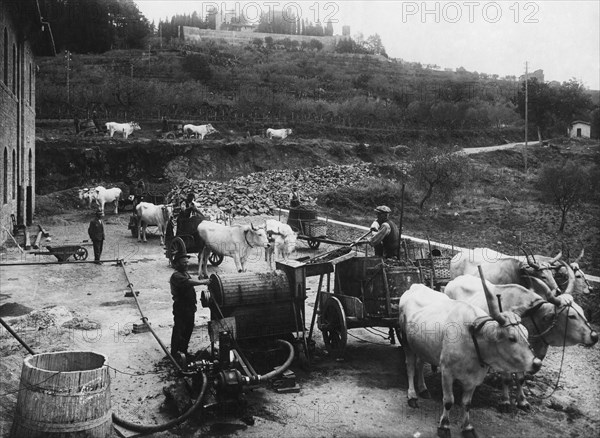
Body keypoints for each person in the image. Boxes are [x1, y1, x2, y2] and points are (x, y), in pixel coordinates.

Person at [169, 252, 206, 365]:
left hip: (189, 307)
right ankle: (175, 354)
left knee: (188, 329)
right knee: (179, 329)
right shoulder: (176, 276)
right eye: (183, 263)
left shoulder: (185, 273)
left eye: (187, 262)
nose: (186, 264)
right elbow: (189, 283)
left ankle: (183, 351)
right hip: (181, 307)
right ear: (177, 264)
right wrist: (203, 282)